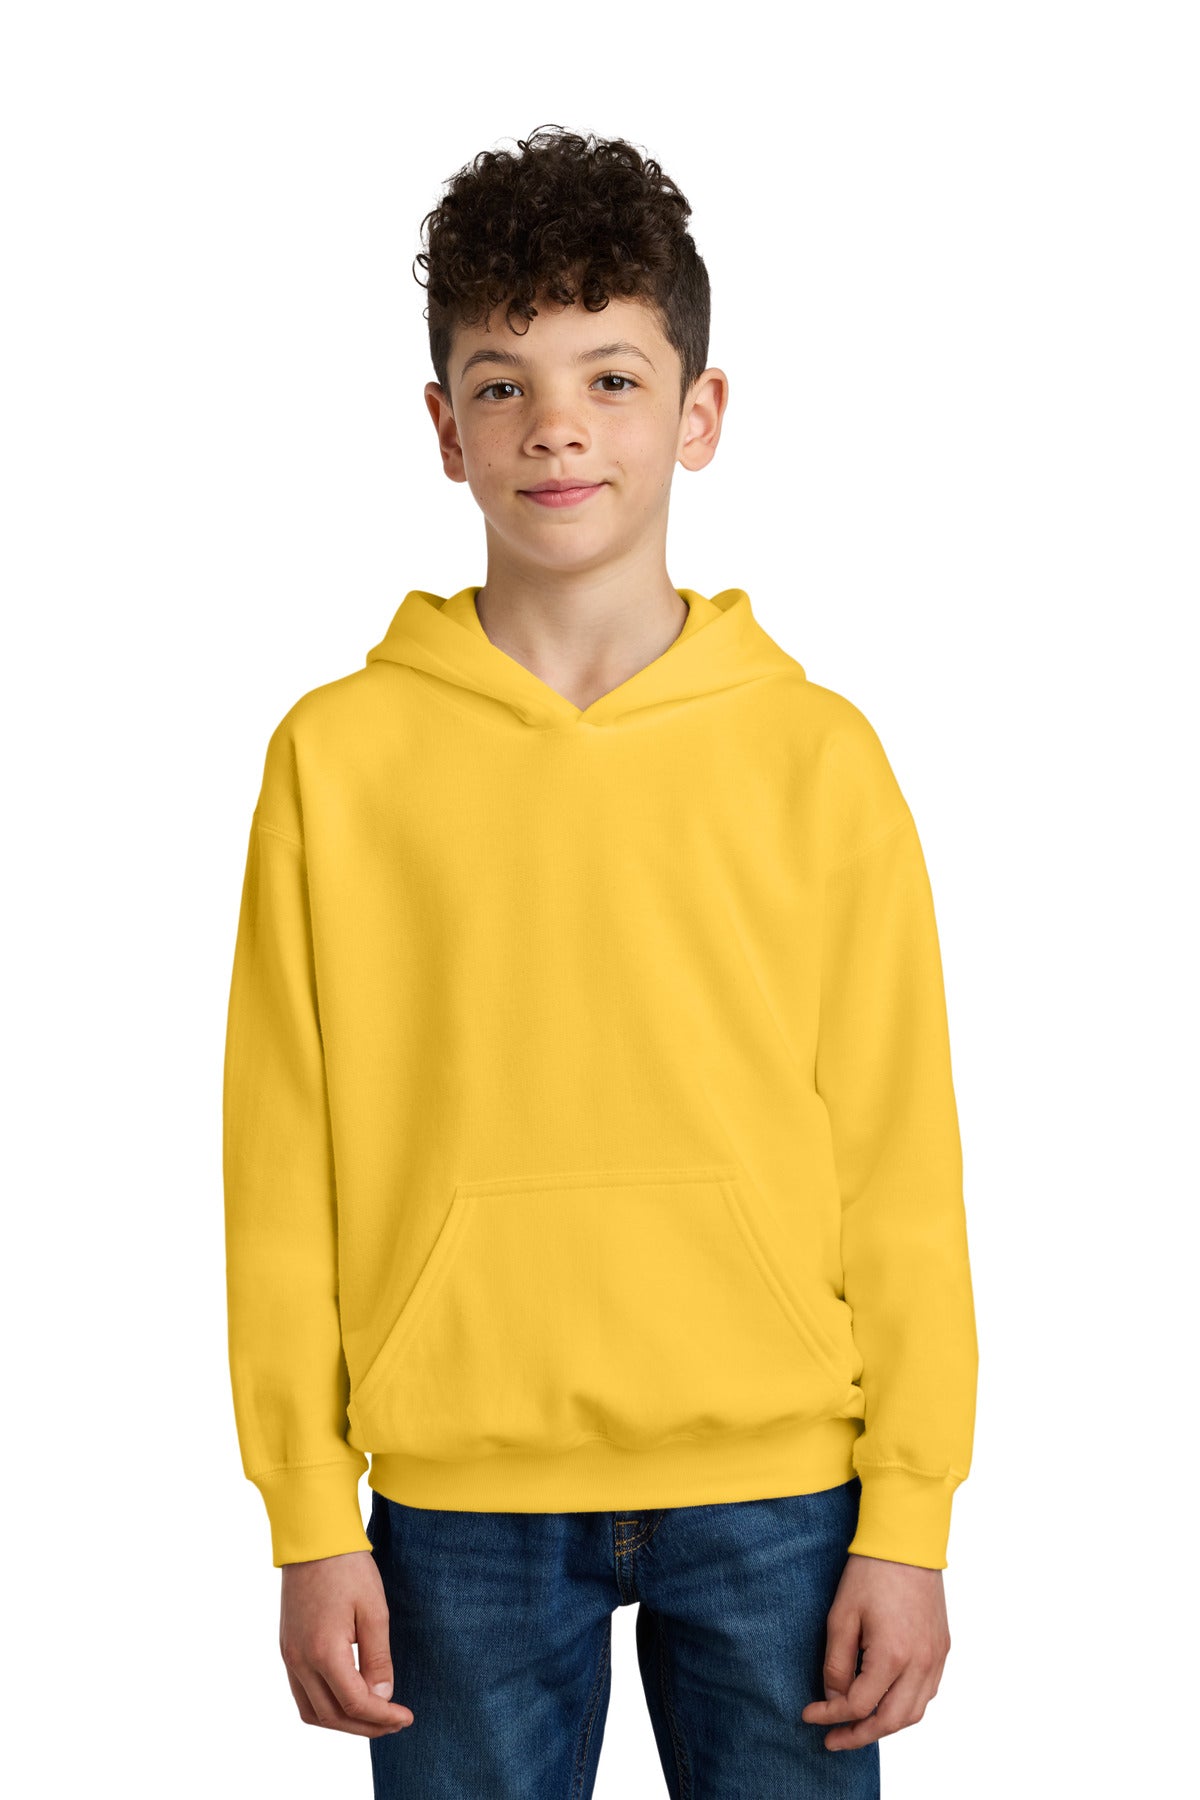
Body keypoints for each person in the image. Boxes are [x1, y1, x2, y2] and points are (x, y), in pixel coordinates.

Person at [222, 123, 979, 1798]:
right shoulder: (337, 760)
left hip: (783, 1493)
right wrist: (306, 1511)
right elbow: (281, 1164)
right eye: (502, 385)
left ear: (700, 414)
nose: (556, 425)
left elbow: (900, 1158)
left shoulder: (815, 756)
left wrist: (912, 1514)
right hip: (455, 1501)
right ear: (446, 430)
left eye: (612, 379)